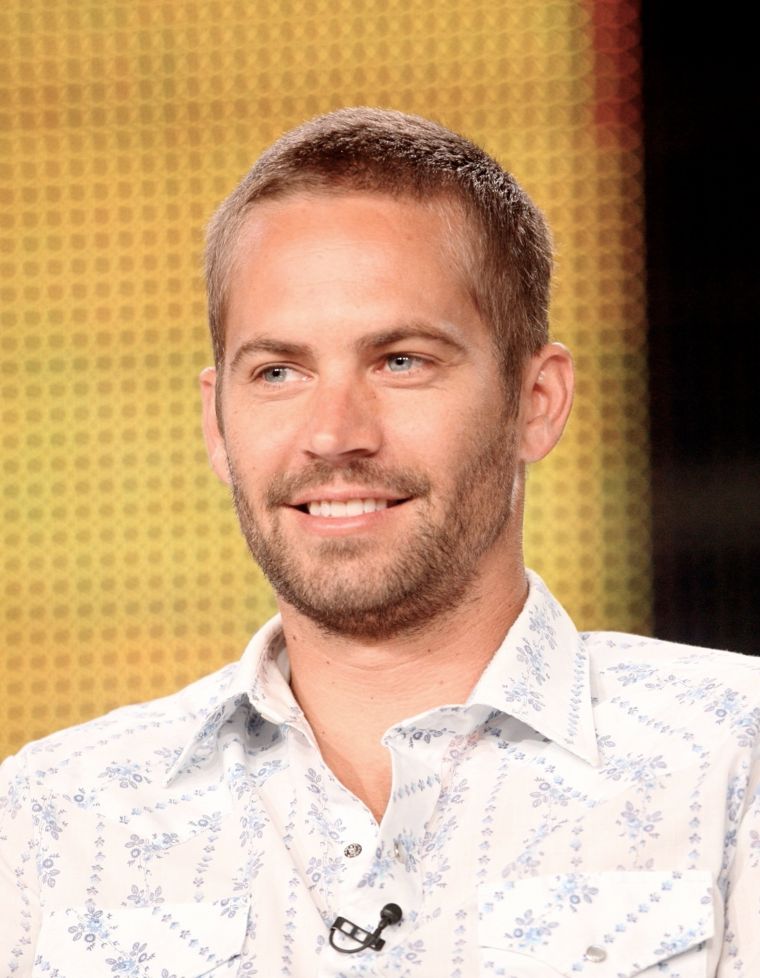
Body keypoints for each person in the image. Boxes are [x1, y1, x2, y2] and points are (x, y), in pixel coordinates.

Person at [1, 108, 758, 977]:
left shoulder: (736, 761)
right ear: (216, 419)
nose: (334, 434)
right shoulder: (51, 820)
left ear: (537, 401)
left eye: (401, 360)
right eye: (278, 372)